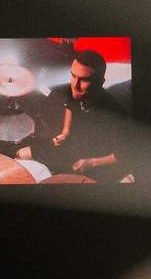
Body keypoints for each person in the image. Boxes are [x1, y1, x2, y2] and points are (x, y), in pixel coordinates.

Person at [41, 47, 130, 180]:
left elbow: (124, 155)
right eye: (73, 76)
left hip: (94, 161)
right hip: (72, 147)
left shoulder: (113, 113)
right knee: (21, 153)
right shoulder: (73, 92)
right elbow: (69, 108)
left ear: (100, 82)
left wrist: (92, 162)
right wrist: (65, 133)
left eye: (84, 79)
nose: (74, 85)